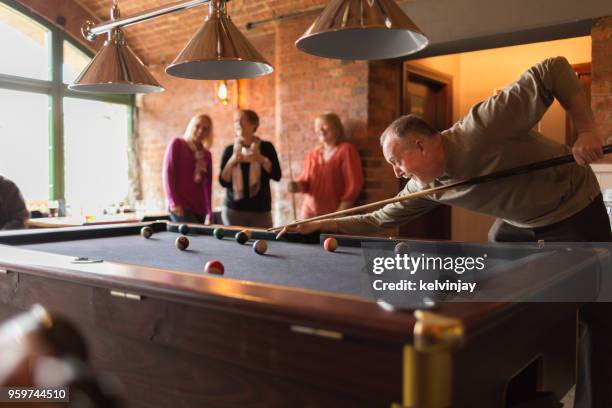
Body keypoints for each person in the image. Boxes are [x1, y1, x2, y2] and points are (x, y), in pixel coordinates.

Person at [281, 57, 609, 408]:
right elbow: (378, 218)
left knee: (601, 314)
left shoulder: (483, 126)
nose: (396, 173)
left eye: (397, 161)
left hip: (574, 205)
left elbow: (554, 71)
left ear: (420, 145)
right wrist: (319, 223)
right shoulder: (427, 185)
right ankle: (515, 388)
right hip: (519, 223)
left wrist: (587, 130)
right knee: (493, 291)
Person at [289, 113, 363, 219]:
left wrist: (341, 211)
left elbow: (354, 184)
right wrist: (296, 186)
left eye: (324, 125)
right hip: (309, 213)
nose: (320, 129)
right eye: (317, 127)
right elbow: (305, 183)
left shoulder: (346, 150)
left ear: (336, 127)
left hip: (334, 214)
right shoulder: (312, 154)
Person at [219, 109, 281, 228]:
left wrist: (261, 159)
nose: (238, 124)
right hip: (234, 210)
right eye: (236, 121)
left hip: (261, 210)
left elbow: (277, 176)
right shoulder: (229, 150)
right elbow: (223, 181)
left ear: (254, 124)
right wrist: (232, 160)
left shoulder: (267, 147)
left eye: (242, 120)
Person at [163, 114, 214, 224]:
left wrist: (209, 212)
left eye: (205, 129)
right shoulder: (177, 144)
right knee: (191, 237)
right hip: (180, 206)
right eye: (197, 126)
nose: (200, 131)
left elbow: (207, 185)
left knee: (199, 240)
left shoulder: (207, 154)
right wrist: (173, 202)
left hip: (200, 208)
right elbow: (168, 174)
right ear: (191, 126)